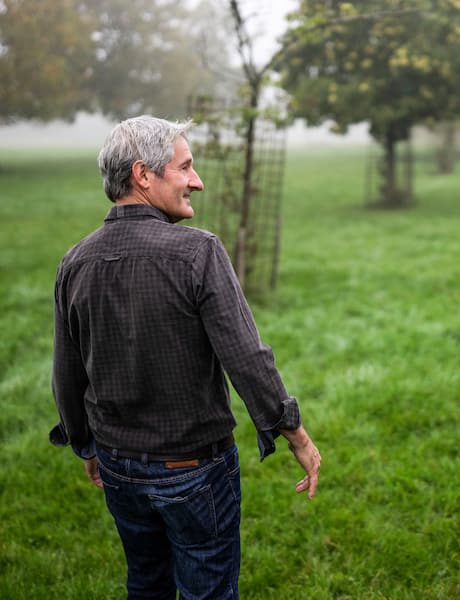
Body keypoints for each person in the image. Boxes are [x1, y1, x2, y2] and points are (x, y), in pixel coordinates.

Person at [50, 115, 321, 599]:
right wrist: (295, 434)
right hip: (193, 469)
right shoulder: (199, 252)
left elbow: (66, 373)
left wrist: (84, 444)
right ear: (143, 175)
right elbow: (247, 358)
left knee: (147, 584)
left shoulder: (75, 261)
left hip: (118, 466)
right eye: (186, 167)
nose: (197, 181)